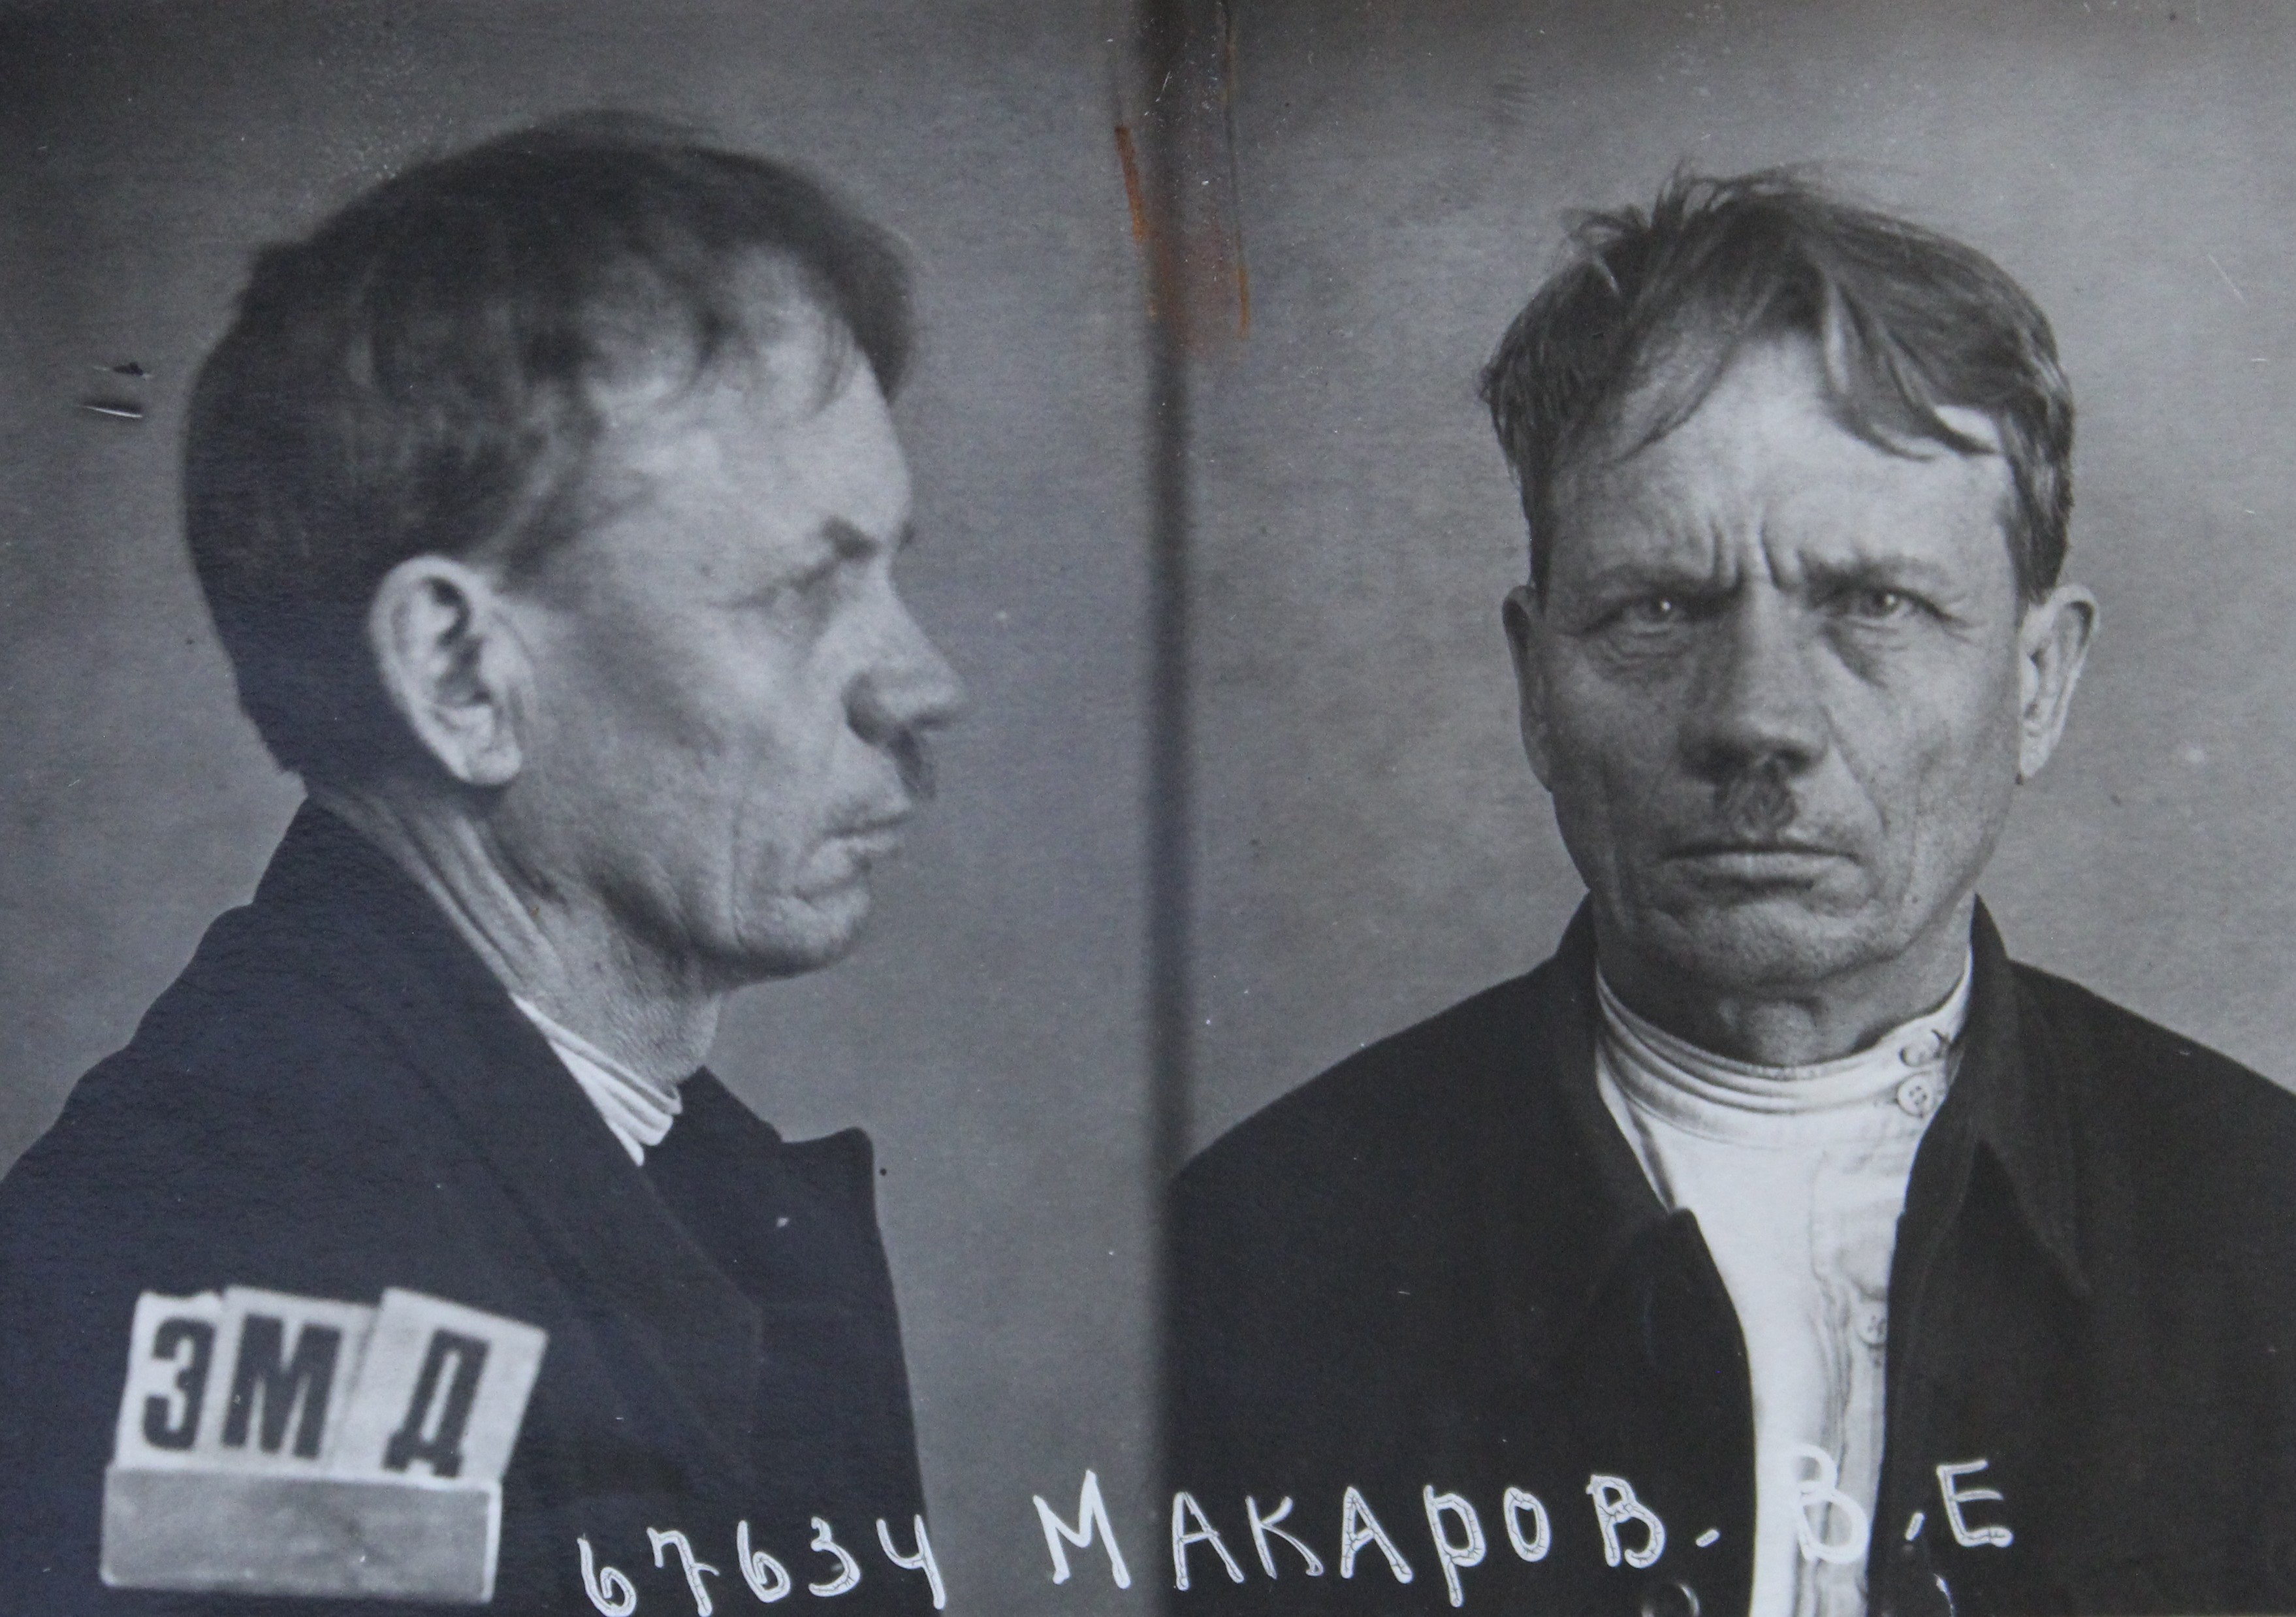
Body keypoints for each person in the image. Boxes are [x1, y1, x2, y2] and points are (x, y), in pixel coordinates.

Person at [1166, 172, 2296, 1617]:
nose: (1758, 717)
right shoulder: (1253, 1254)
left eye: (1873, 603)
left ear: (2037, 681)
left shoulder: (2267, 1231)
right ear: (1535, 686)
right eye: (1658, 608)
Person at [0, 118, 964, 1614]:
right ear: (459, 675)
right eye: (797, 591)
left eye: (891, 570)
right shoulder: (232, 1252)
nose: (924, 682)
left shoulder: (672, 1174)